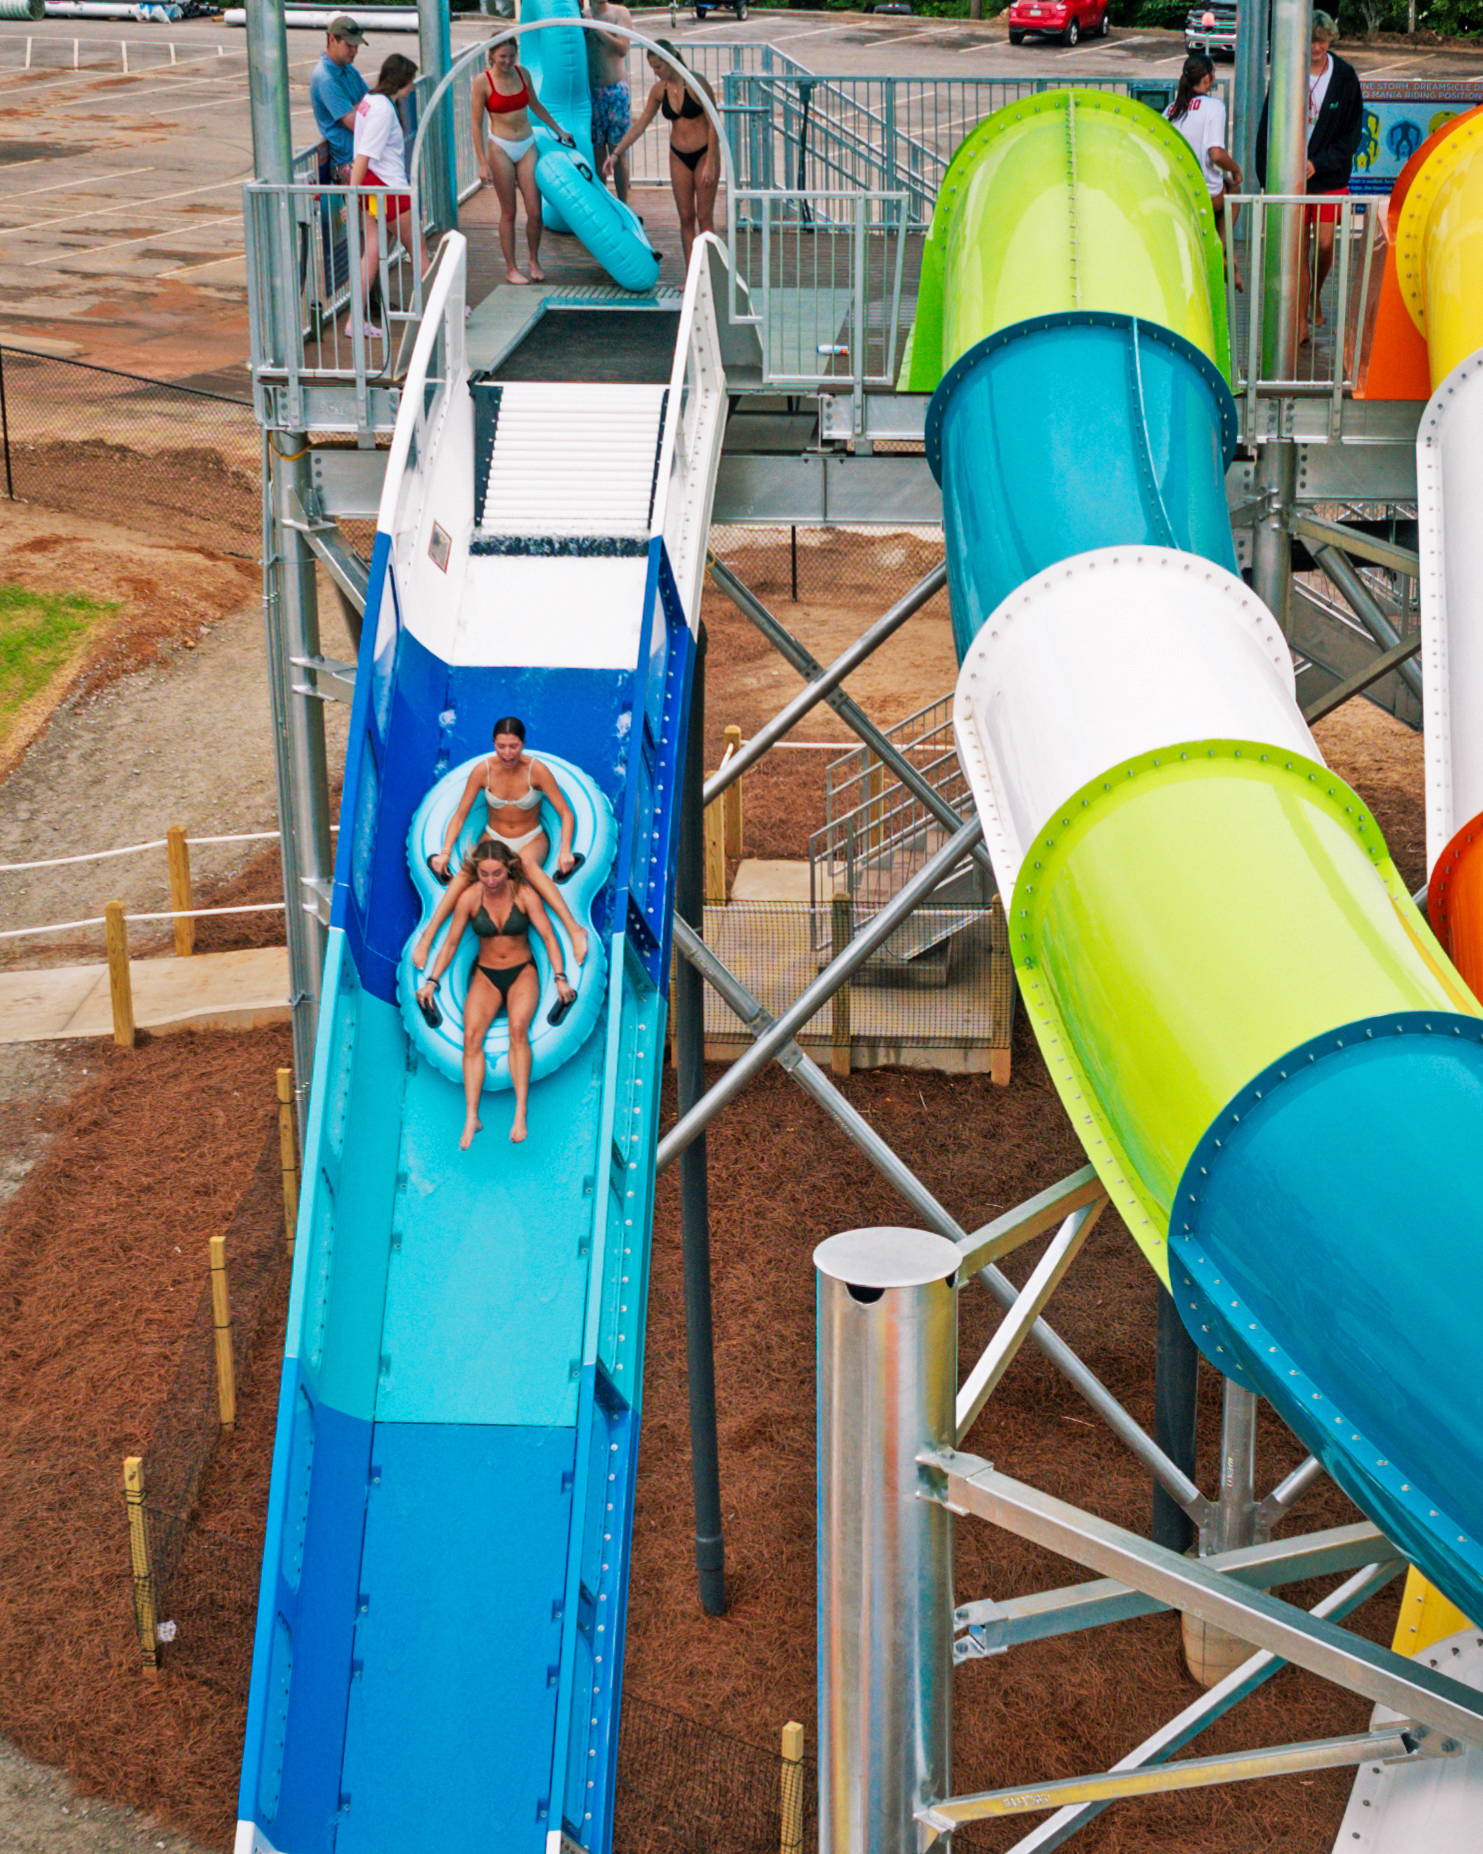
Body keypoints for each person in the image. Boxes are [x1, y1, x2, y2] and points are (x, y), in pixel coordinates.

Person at [417, 841, 575, 1148]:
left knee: (518, 1030)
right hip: (486, 974)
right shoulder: (470, 897)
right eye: (484, 874)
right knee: (471, 1036)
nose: (490, 881)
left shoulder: (524, 894)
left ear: (508, 869)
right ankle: (472, 1116)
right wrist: (432, 981)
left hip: (522, 971)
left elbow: (547, 935)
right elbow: (451, 944)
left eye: (497, 874)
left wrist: (560, 978)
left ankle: (520, 1112)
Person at [413, 716, 589, 973]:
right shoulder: (482, 771)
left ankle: (575, 929)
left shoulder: (536, 770)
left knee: (527, 864)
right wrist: (445, 853)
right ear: (494, 743)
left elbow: (566, 813)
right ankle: (427, 937)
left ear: (523, 744)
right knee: (464, 873)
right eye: (502, 746)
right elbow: (460, 815)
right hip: (494, 837)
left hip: (531, 837)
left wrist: (564, 850)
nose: (508, 753)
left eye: (514, 746)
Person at [1255, 12, 1364, 333]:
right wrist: (1267, 177)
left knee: (1326, 244)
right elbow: (1267, 126)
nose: (1316, 47)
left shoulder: (1345, 76)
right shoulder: (1288, 71)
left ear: (1330, 39)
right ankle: (1300, 320)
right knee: (1298, 247)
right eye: (1311, 40)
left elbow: (1352, 133)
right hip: (1292, 178)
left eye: (1322, 40)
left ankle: (1314, 294)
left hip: (1329, 177)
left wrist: (1320, 162)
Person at [472, 38, 576, 287]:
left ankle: (533, 261)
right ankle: (511, 268)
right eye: (502, 57)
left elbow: (536, 105)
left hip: (527, 145)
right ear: (492, 57)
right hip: (500, 148)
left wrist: (559, 130)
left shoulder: (523, 73)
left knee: (535, 212)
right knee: (509, 212)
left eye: (511, 56)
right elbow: (476, 123)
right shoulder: (482, 81)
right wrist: (482, 162)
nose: (507, 61)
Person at [603, 43, 719, 267]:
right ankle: (691, 275)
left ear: (671, 61)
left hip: (704, 153)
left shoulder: (696, 83)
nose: (655, 72)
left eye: (658, 67)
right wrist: (616, 153)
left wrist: (712, 161)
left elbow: (714, 122)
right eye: (652, 68)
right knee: (686, 218)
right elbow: (640, 125)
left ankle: (712, 273)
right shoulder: (659, 91)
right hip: (679, 155)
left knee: (704, 219)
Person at [349, 53, 418, 343]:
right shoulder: (384, 110)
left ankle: (355, 319)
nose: (413, 88)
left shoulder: (369, 101)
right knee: (419, 250)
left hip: (372, 185)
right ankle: (446, 309)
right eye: (411, 82)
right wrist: (351, 197)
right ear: (400, 82)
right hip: (385, 187)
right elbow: (364, 155)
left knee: (373, 252)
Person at [1166, 54, 1243, 288]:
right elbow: (1216, 154)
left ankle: (1219, 255)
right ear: (1208, 79)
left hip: (1179, 192)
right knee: (1234, 192)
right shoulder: (1213, 107)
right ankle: (1218, 250)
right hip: (1207, 194)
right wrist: (1236, 170)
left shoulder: (1170, 110)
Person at [585, 0, 634, 204]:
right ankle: (604, 206)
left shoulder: (619, 13)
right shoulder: (582, 16)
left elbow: (622, 48)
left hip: (615, 91)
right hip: (591, 93)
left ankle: (624, 205)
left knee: (618, 153)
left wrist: (596, 27)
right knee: (597, 155)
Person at [309, 15, 368, 184]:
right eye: (349, 45)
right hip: (346, 163)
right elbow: (355, 123)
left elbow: (373, 102)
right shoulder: (325, 78)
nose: (354, 51)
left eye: (356, 46)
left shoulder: (349, 70)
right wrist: (362, 108)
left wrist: (357, 107)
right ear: (332, 39)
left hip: (360, 158)